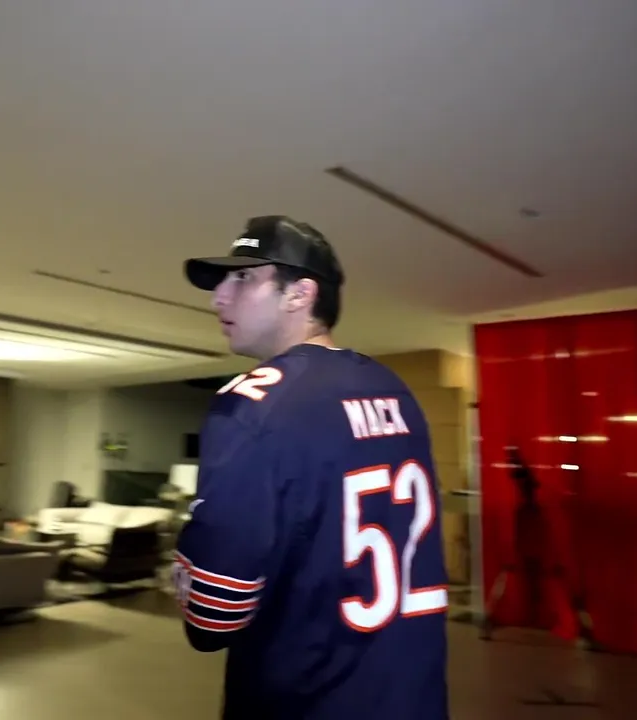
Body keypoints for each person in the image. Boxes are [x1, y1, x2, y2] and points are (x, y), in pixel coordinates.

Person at [172, 215, 450, 719]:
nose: (218, 297)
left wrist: (184, 574)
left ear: (300, 293)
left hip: (305, 699)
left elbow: (212, 615)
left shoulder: (252, 405)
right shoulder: (395, 390)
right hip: (411, 697)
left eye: (243, 277)